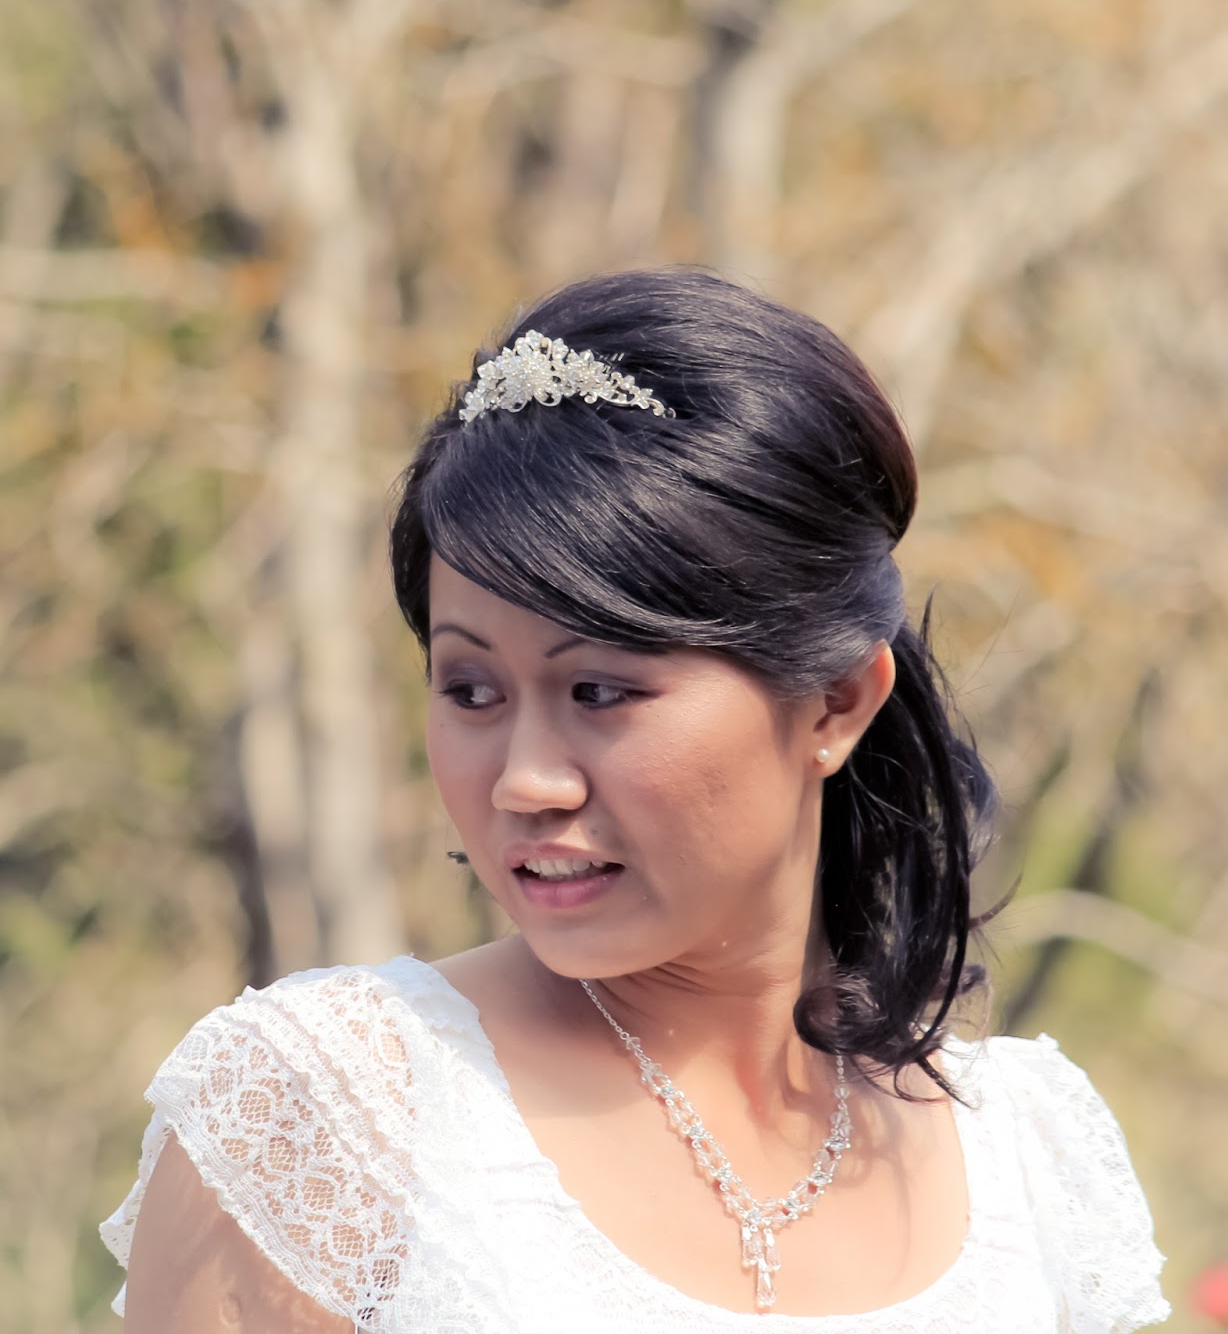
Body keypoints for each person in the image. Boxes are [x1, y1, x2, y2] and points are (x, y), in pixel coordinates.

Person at [101, 269, 1170, 1332]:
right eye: (470, 690)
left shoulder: (1030, 1161)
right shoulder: (324, 1118)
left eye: (601, 691)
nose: (525, 780)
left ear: (835, 702)